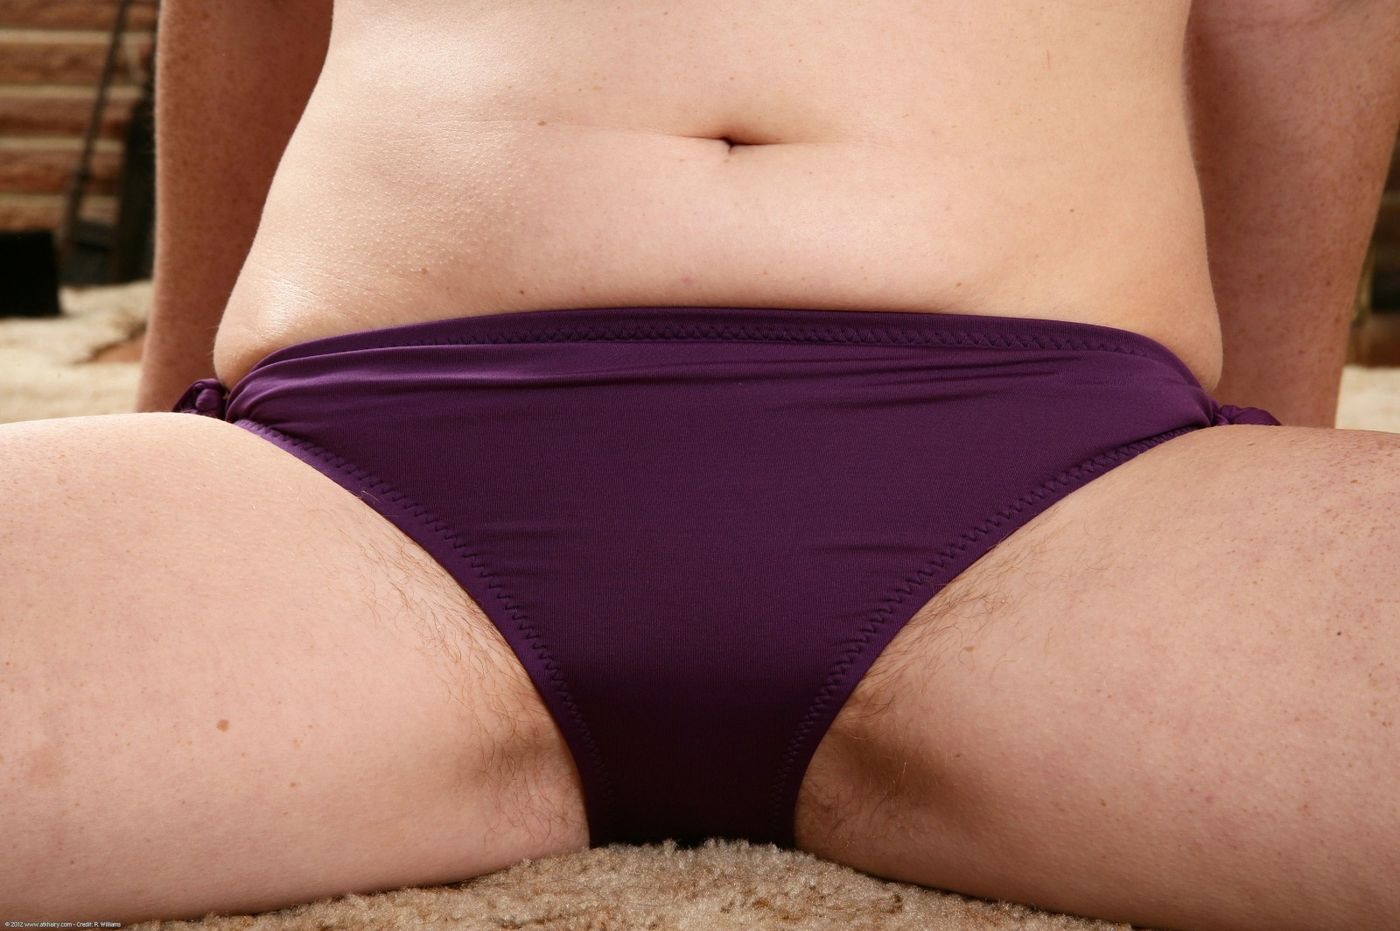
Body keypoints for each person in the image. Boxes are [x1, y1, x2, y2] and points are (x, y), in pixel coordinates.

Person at [4, 1, 1398, 927]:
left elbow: (1299, 14)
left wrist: (1249, 491)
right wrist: (181, 431)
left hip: (1070, 490)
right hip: (356, 481)